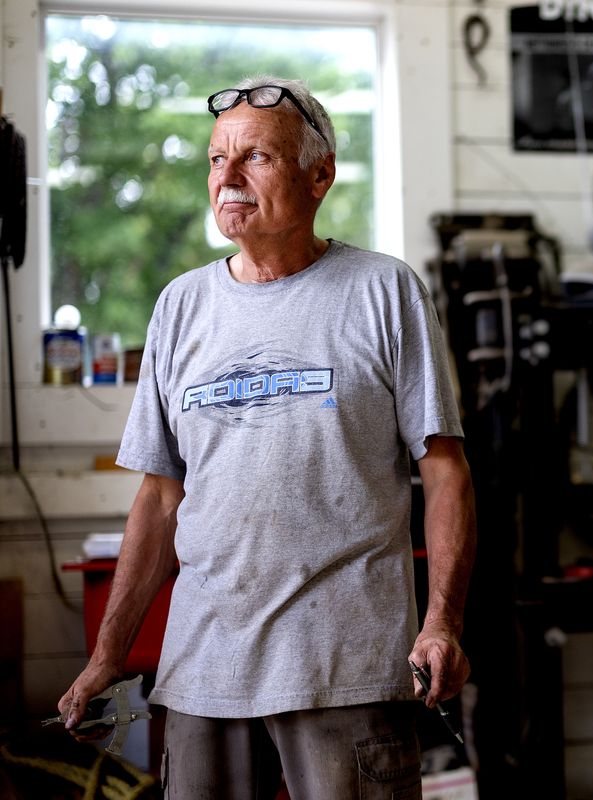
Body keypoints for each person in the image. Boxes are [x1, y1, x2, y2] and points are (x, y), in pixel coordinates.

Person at [57, 75, 476, 799]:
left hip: (346, 671)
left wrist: (441, 620)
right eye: (217, 160)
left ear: (320, 176)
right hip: (202, 675)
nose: (229, 177)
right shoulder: (180, 307)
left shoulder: (384, 291)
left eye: (256, 157)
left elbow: (444, 470)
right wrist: (106, 656)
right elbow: (160, 500)